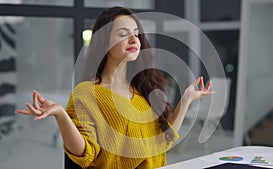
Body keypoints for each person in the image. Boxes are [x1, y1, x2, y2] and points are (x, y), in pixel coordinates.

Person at [16, 6, 214, 169]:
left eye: (136, 34)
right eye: (123, 34)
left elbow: (163, 140)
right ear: (103, 43)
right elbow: (84, 154)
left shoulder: (141, 90)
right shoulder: (87, 93)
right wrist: (61, 115)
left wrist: (187, 98)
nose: (133, 39)